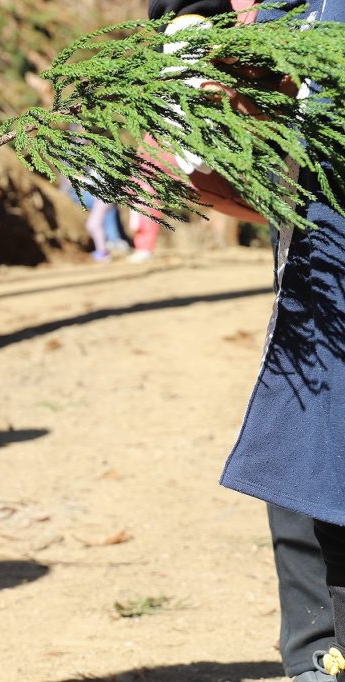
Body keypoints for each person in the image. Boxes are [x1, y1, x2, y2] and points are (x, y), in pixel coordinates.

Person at [148, 1, 340, 680]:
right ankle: (318, 659)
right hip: (318, 261)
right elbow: (219, 177)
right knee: (308, 437)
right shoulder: (218, 25)